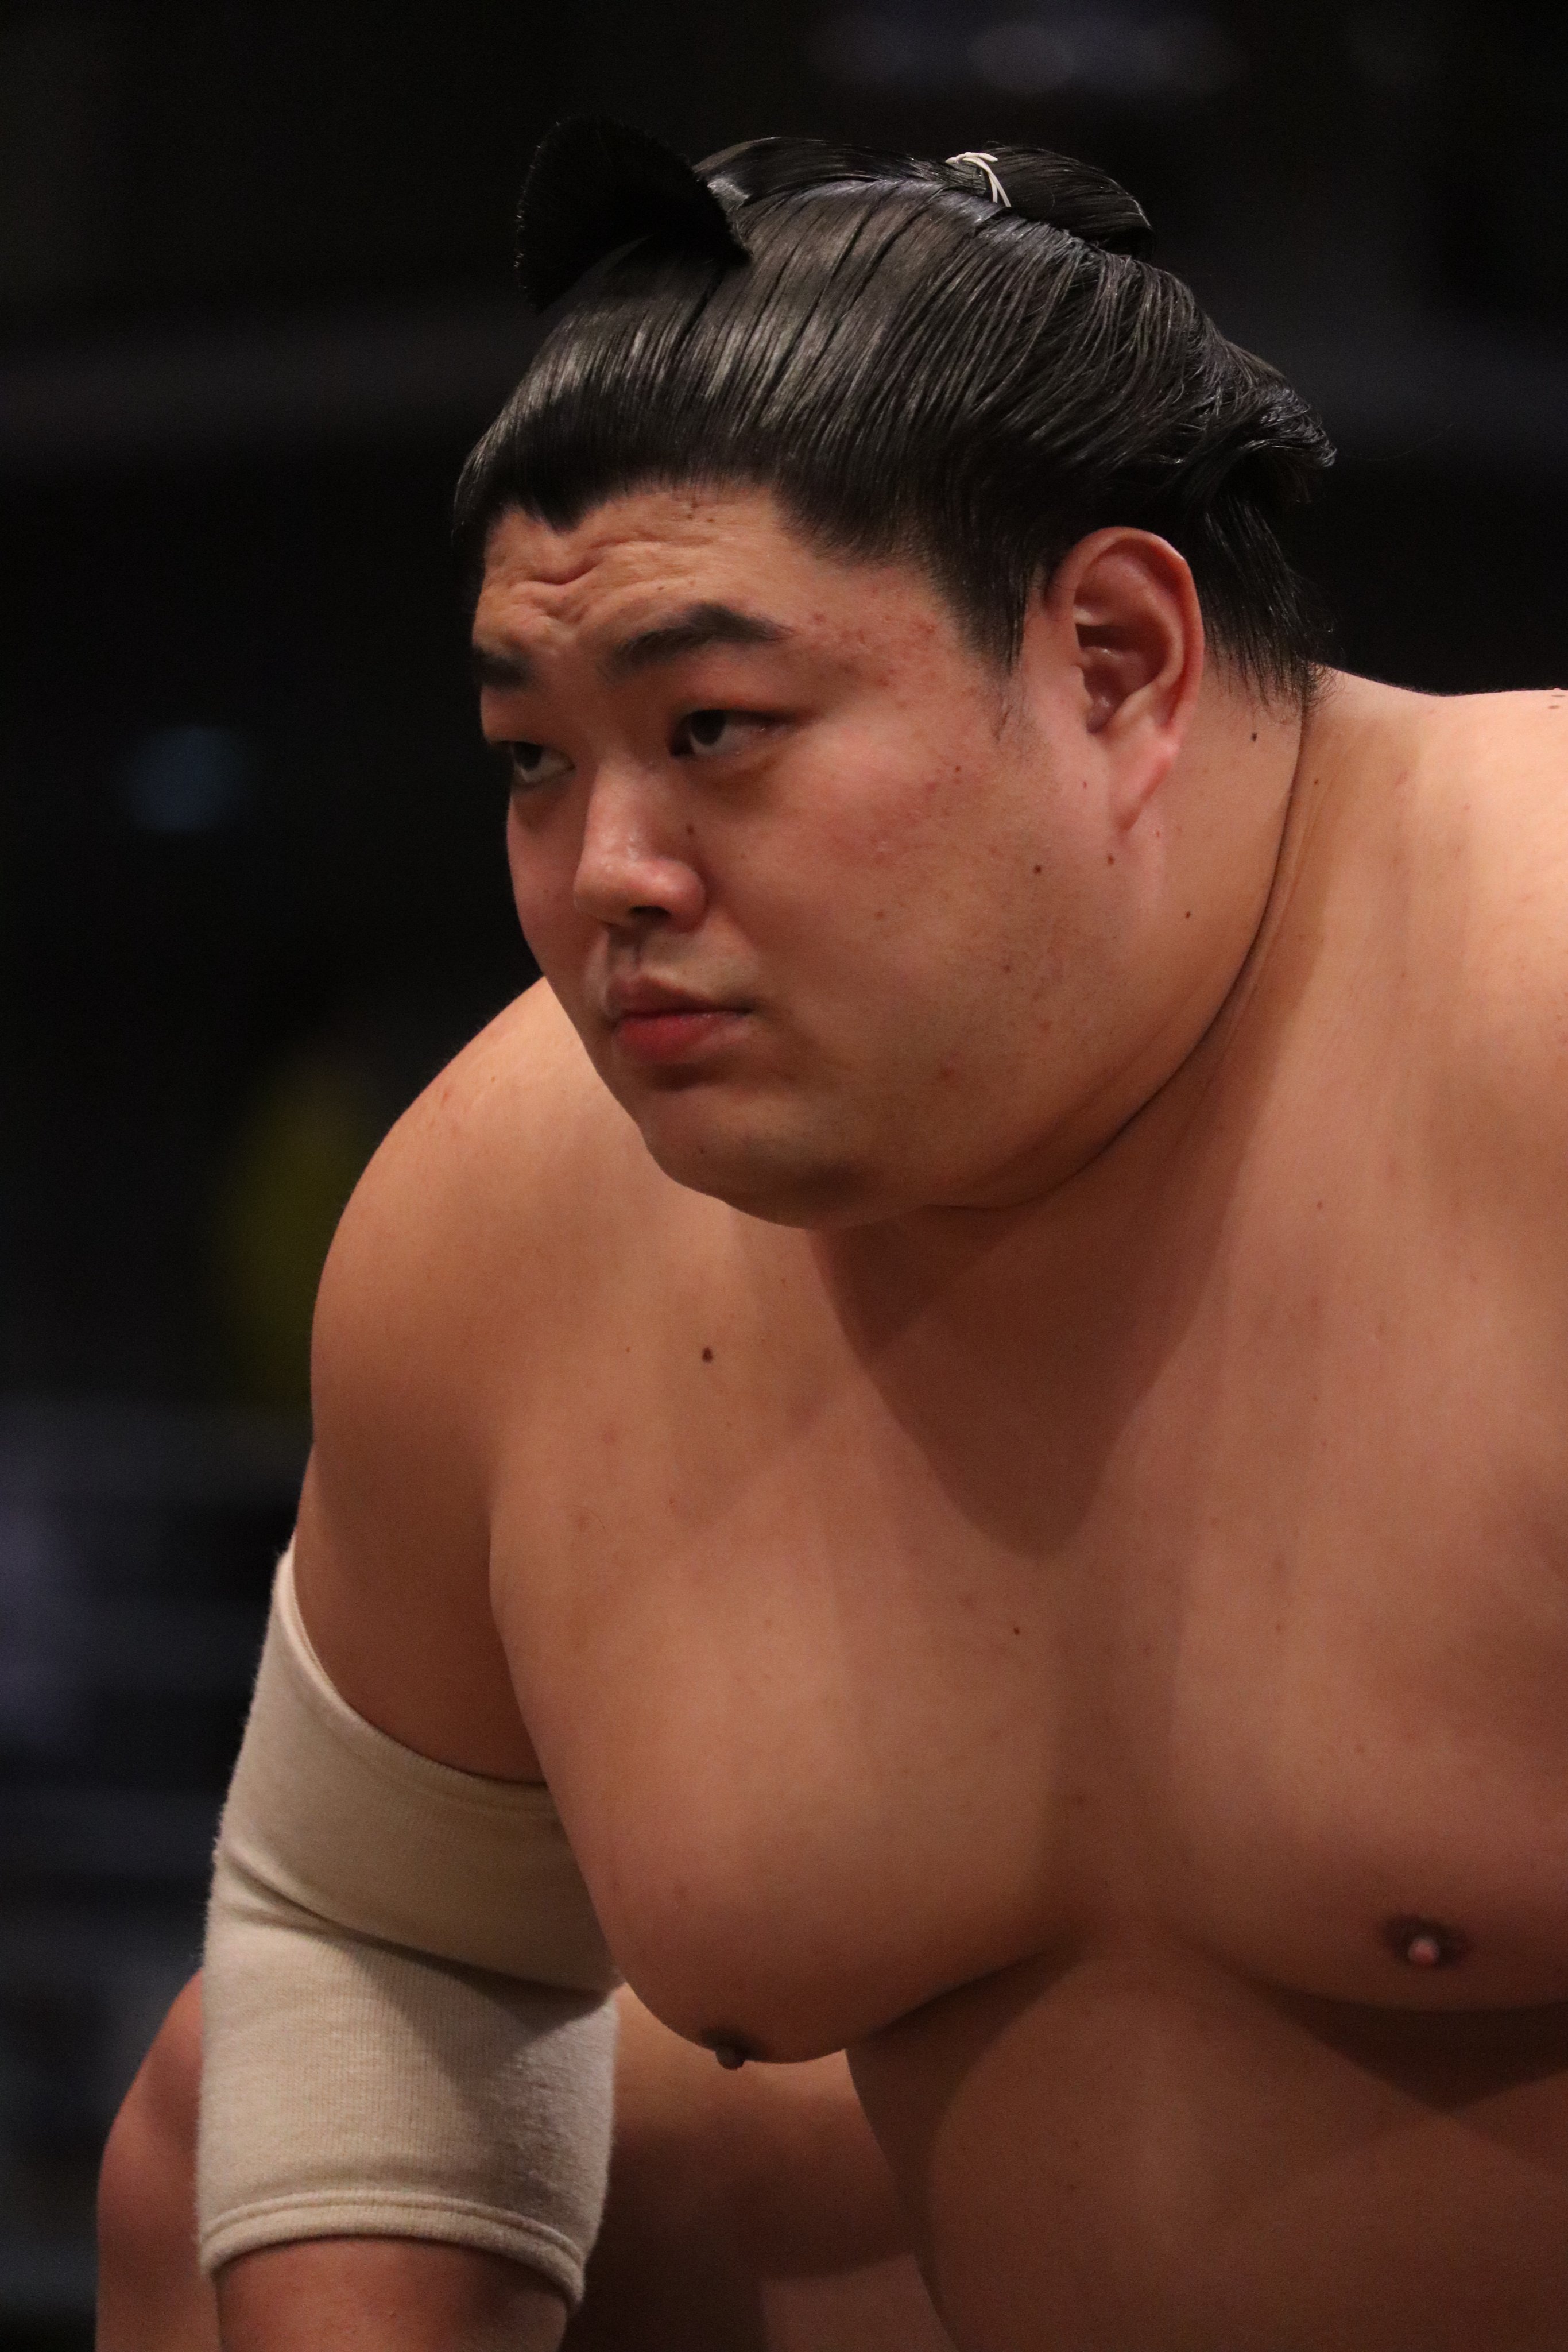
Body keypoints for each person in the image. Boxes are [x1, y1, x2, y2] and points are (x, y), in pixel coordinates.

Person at [98, 117, 1568, 2352]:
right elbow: (377, 1929)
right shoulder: (506, 1202)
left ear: (1111, 659)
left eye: (713, 729)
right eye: (534, 759)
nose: (605, 877)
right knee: (229, 2119)